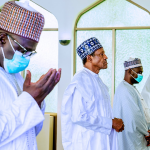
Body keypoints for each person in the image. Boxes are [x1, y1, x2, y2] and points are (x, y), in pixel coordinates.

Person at [0, 1, 61, 149]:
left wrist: (38, 100)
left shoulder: (15, 76)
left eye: (30, 52)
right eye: (22, 49)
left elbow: (31, 132)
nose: (25, 57)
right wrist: (29, 100)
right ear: (2, 39)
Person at [61, 37, 124, 150]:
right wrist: (111, 123)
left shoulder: (97, 80)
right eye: (101, 54)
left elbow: (97, 112)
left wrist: (113, 121)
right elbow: (78, 116)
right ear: (89, 58)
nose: (106, 57)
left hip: (100, 142)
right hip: (88, 143)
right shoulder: (81, 80)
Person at [113, 57, 150, 150]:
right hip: (133, 140)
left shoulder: (130, 88)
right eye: (139, 72)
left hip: (138, 137)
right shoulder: (125, 90)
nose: (141, 75)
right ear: (129, 71)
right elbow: (135, 117)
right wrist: (147, 133)